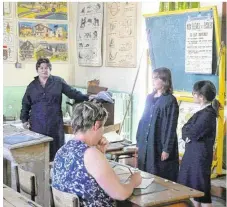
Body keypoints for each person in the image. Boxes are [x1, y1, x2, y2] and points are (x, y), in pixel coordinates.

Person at [52, 101, 142, 206]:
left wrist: (100, 153)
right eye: (103, 127)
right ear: (96, 125)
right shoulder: (90, 154)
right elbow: (120, 194)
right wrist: (133, 182)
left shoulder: (62, 150)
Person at [20, 58, 89, 161]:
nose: (44, 70)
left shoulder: (58, 82)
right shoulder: (32, 86)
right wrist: (24, 119)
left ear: (50, 69)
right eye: (41, 68)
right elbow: (26, 103)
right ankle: (41, 174)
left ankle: (55, 172)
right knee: (39, 150)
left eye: (47, 67)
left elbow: (72, 93)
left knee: (56, 148)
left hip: (54, 122)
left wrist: (87, 97)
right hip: (37, 124)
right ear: (37, 70)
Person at [178, 81, 220, 207]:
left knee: (201, 190)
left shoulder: (208, 114)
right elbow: (185, 129)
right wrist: (187, 134)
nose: (193, 96)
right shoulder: (202, 111)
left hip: (199, 157)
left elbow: (193, 133)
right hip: (194, 154)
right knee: (193, 188)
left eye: (194, 94)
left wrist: (187, 134)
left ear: (201, 97)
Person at [136, 67, 179, 181]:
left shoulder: (170, 100)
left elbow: (171, 126)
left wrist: (167, 149)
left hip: (159, 142)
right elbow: (143, 118)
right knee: (144, 169)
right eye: (153, 78)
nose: (153, 81)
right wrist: (138, 140)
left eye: (156, 78)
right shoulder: (149, 97)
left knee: (158, 171)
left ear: (164, 81)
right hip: (146, 141)